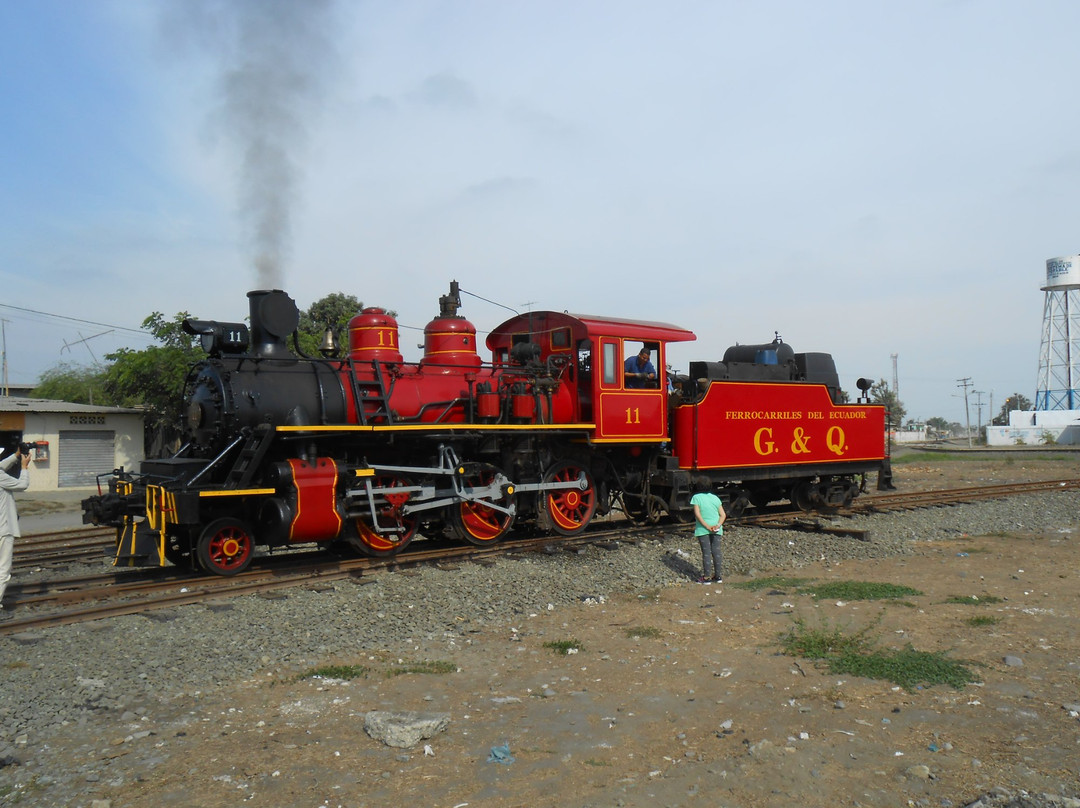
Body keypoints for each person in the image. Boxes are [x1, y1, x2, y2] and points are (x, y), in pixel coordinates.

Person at [0, 445, 32, 613]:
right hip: (3, 529)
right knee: (3, 569)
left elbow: (1, 466)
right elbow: (22, 485)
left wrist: (15, 455)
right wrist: (24, 467)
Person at [690, 478, 726, 584]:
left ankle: (707, 578)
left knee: (706, 553)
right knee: (716, 551)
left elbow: (697, 514)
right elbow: (723, 515)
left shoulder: (696, 497)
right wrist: (717, 525)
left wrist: (706, 526)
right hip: (717, 528)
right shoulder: (715, 498)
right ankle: (718, 576)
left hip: (703, 529)